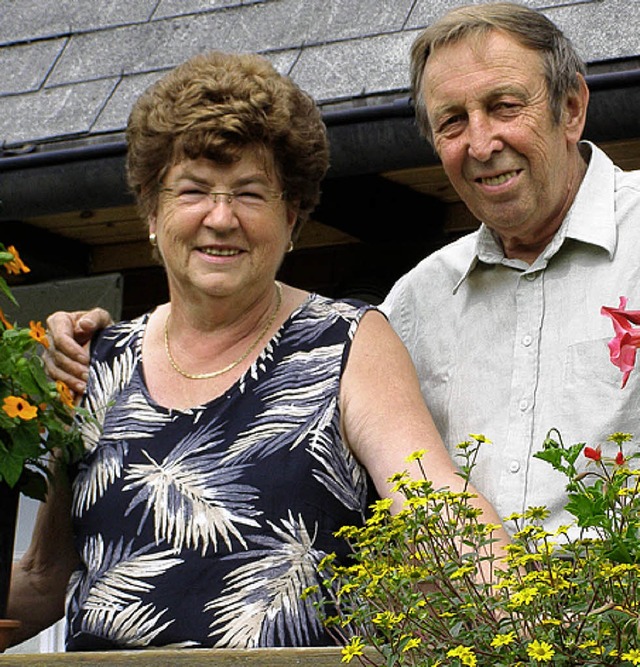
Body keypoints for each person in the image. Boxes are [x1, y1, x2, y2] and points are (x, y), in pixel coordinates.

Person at [8, 51, 508, 651]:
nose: (221, 218)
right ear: (151, 211)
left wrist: (545, 624)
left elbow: (439, 512)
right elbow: (43, 577)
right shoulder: (97, 363)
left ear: (291, 218)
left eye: (250, 193)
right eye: (193, 191)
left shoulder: (345, 344)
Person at [381, 2, 640, 533]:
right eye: (452, 121)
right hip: (468, 616)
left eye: (504, 107)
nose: (481, 143)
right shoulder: (412, 307)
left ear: (570, 108)